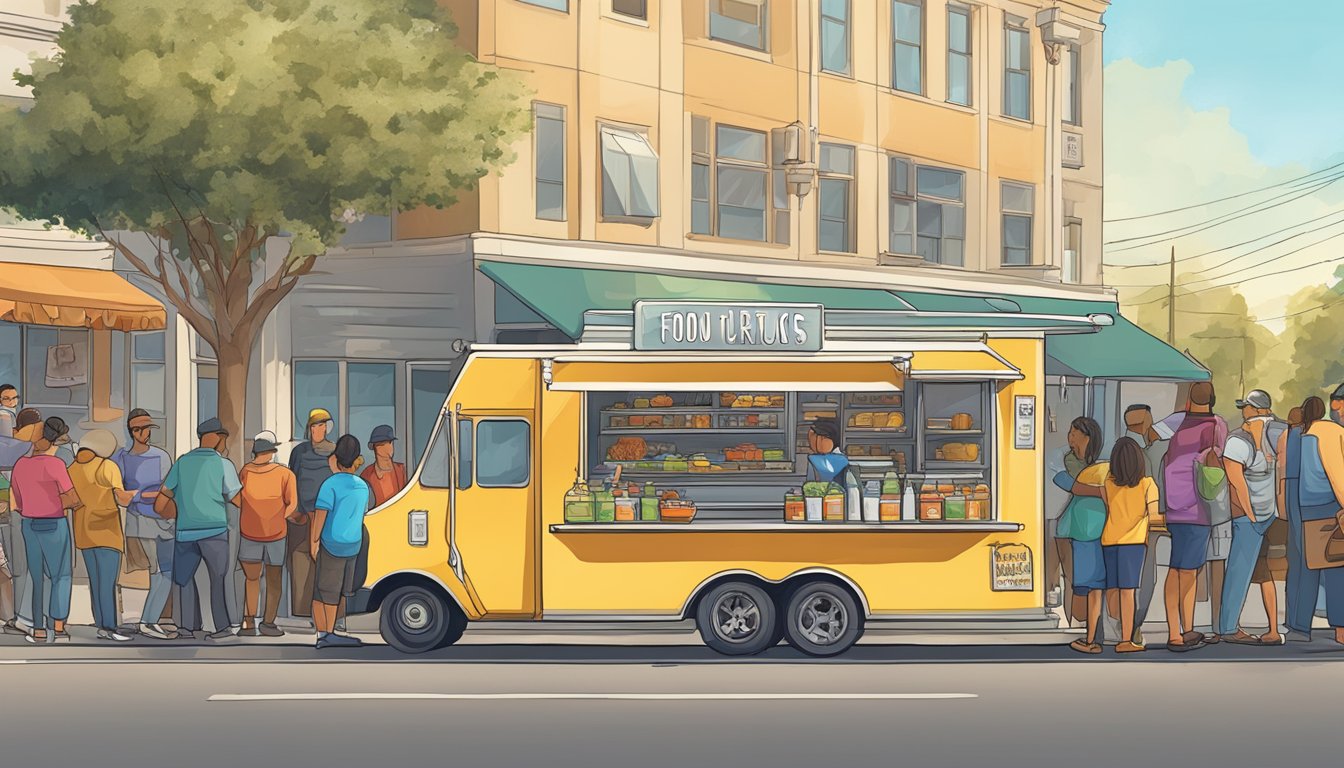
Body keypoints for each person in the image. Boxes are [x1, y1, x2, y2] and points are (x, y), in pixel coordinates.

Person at [1068, 438, 1159, 654]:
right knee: (1128, 592)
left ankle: (1101, 635)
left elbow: (1100, 500)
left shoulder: (1109, 485)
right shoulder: (1148, 484)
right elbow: (1154, 516)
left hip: (1109, 541)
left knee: (1110, 590)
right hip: (1134, 543)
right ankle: (1125, 639)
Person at [155, 418, 242, 641]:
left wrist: (170, 513)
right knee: (218, 578)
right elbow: (237, 498)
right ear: (213, 438)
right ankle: (222, 628)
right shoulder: (223, 464)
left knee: (184, 579)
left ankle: (187, 627)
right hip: (214, 530)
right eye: (222, 438)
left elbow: (164, 494)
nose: (224, 443)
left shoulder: (183, 462)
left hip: (186, 530)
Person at [1155, 381, 1227, 652]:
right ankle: (1177, 633)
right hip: (1199, 505)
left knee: (1181, 568)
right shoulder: (1217, 425)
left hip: (1174, 503)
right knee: (1185, 571)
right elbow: (1218, 459)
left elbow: (1150, 434)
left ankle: (1185, 628)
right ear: (1213, 399)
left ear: (1187, 400)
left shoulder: (1177, 421)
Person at [1218, 390, 1288, 645]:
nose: (1243, 411)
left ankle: (1227, 627)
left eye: (1246, 407)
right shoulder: (1282, 432)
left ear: (1257, 410)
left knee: (1239, 571)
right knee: (1265, 570)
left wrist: (1249, 513)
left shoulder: (1238, 438)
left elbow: (1237, 483)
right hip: (1275, 512)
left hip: (1251, 516)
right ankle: (1273, 628)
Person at [1279, 394, 1344, 645]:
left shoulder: (1293, 436)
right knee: (1336, 566)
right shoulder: (1330, 432)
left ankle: (1297, 626)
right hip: (1327, 506)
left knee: (1301, 566)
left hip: (1300, 507)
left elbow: (1284, 476)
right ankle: (1340, 630)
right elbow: (1336, 472)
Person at [11, 417, 79, 643]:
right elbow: (73, 498)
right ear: (54, 442)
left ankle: (38, 628)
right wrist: (56, 501)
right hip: (54, 523)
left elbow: (18, 501)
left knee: (37, 575)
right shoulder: (56, 465)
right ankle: (58, 627)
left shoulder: (20, 464)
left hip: (29, 523)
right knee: (61, 575)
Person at [67, 429, 135, 642]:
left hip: (83, 530)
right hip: (106, 530)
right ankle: (109, 626)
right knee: (108, 582)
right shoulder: (107, 466)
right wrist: (137, 494)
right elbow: (122, 498)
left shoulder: (72, 468)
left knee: (95, 581)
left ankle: (99, 622)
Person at [113, 409, 174, 639]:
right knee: (157, 571)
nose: (145, 433)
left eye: (148, 428)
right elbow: (118, 494)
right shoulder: (120, 457)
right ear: (132, 431)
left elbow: (167, 489)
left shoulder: (162, 456)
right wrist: (142, 496)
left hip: (165, 521)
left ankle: (150, 619)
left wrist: (136, 495)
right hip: (140, 522)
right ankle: (148, 621)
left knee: (165, 572)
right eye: (139, 429)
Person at [311, 434, 371, 649]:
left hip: (331, 544)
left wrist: (314, 542)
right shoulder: (362, 486)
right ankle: (333, 630)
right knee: (341, 591)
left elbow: (320, 517)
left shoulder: (330, 485)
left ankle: (324, 633)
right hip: (352, 545)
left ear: (336, 457)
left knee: (323, 591)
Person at [1117, 404, 1169, 645]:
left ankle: (1129, 626)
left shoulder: (1124, 448)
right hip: (1150, 521)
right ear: (1148, 421)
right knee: (1143, 577)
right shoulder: (1153, 449)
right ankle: (1133, 626)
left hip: (1126, 524)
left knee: (1132, 578)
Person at [238, 431, 296, 637]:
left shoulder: (245, 471)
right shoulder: (285, 474)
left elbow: (238, 500)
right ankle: (268, 623)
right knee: (274, 581)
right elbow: (292, 505)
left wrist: (253, 512)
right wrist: (277, 516)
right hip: (276, 535)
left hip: (249, 533)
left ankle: (248, 622)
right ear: (272, 451)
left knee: (251, 579)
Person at [1053, 417, 1108, 633]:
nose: (1070, 438)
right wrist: (1102, 491)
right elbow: (1071, 485)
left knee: (1092, 580)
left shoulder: (1100, 465)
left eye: (1074, 434)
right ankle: (1075, 624)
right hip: (1071, 529)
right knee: (1075, 580)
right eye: (1070, 433)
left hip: (1098, 529)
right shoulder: (1063, 460)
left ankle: (1089, 626)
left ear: (1088, 437)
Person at [288, 408, 335, 622]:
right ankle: (302, 611)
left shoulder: (335, 451)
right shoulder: (300, 452)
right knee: (301, 564)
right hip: (303, 516)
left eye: (322, 425)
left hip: (329, 517)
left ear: (327, 427)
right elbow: (292, 477)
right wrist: (297, 512)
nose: (318, 429)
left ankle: (330, 614)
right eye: (314, 425)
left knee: (328, 565)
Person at [1, 408, 41, 635]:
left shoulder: (20, 447)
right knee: (20, 568)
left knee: (16, 568)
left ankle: (14, 615)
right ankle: (19, 616)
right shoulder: (24, 447)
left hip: (13, 513)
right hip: (18, 514)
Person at [360, 425, 408, 508]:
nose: (389, 447)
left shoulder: (401, 470)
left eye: (390, 443)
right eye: (383, 444)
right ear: (375, 447)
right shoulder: (366, 475)